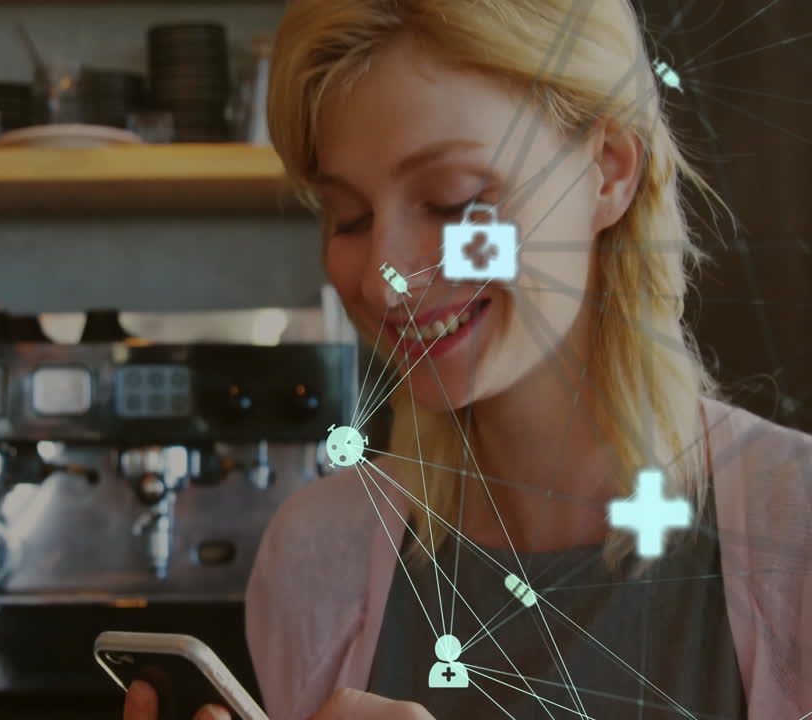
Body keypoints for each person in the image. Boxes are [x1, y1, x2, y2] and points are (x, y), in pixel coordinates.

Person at [124, 0, 812, 718]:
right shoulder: (314, 560)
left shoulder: (794, 533)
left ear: (607, 171)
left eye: (454, 202)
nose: (382, 275)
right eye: (348, 217)